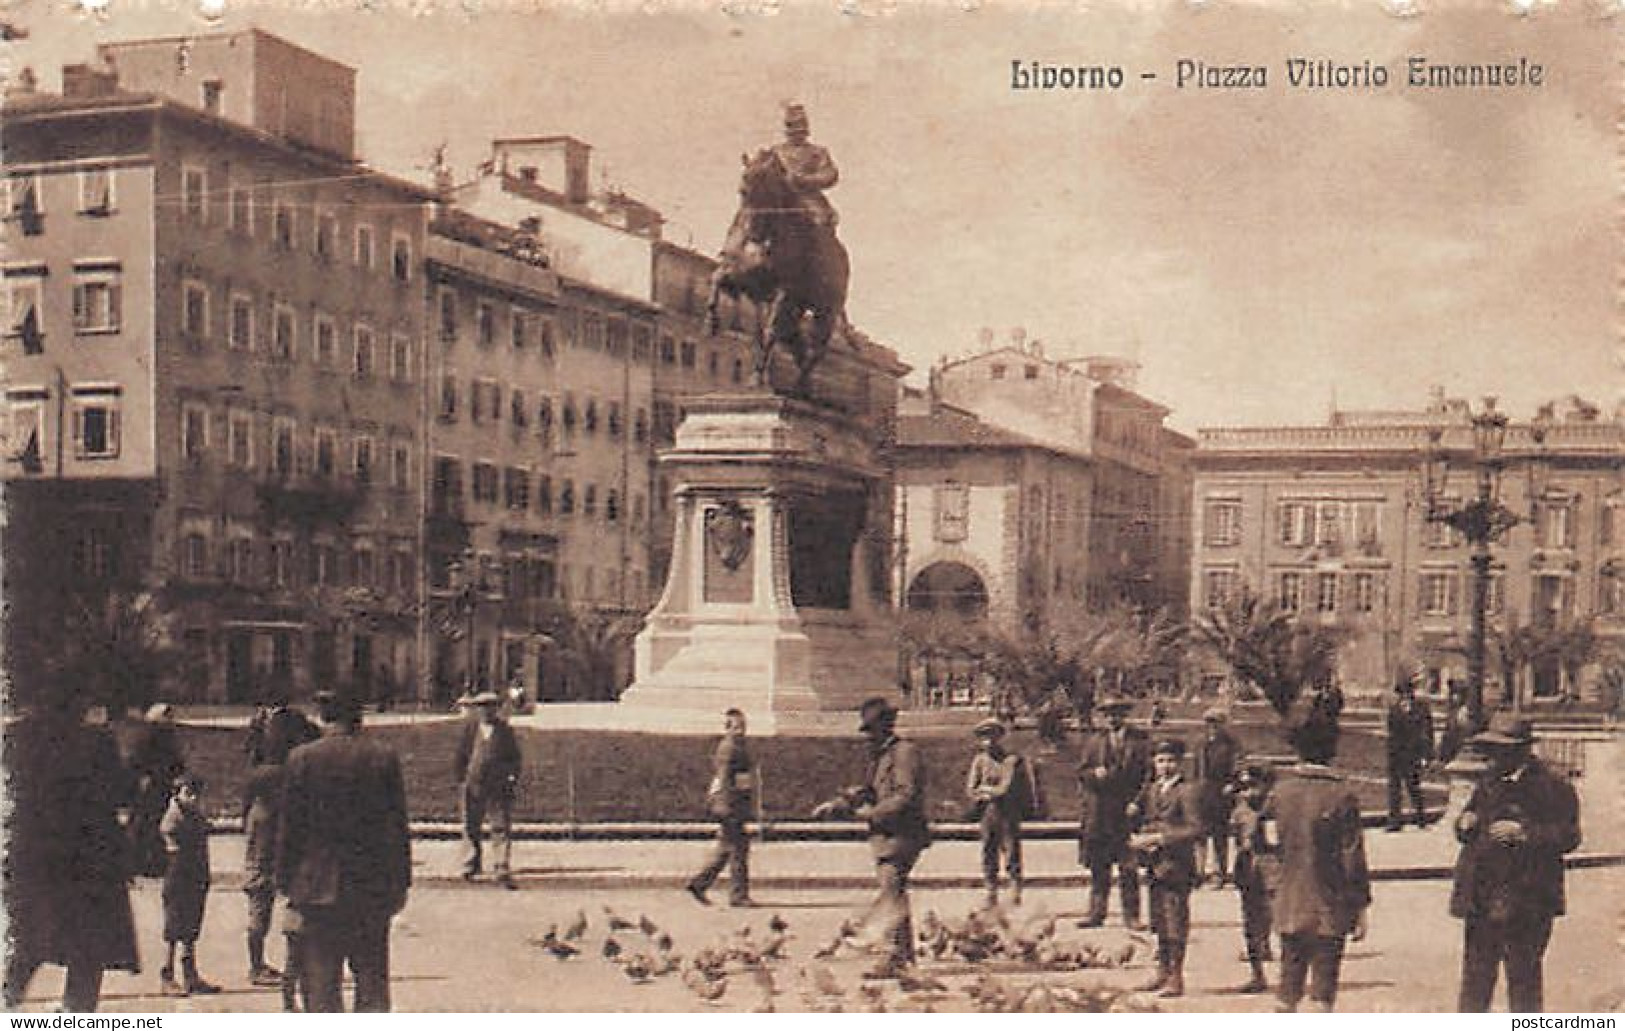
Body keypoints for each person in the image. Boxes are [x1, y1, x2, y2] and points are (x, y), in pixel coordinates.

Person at [3, 687, 141, 1012]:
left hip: (35, 855)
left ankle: (8, 1001)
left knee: (30, 939)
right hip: (92, 861)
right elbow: (122, 791)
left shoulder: (19, 736)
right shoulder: (97, 742)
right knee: (89, 947)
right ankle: (77, 1013)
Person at [276, 689, 411, 1012]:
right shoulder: (383, 757)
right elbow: (396, 829)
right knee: (372, 981)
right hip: (370, 886)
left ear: (323, 716)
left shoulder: (302, 758)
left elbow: (290, 830)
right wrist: (401, 883)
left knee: (321, 984)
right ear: (360, 717)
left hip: (316, 887)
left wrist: (285, 880)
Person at [1449, 713, 1581, 1013]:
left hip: (1528, 899)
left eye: (1502, 749)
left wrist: (1525, 834)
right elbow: (1468, 821)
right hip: (1481, 898)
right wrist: (1464, 822)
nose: (1494, 756)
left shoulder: (1552, 785)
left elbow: (1570, 835)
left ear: (1521, 750)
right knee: (1475, 981)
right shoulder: (1489, 781)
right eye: (1492, 749)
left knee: (1524, 982)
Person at [1269, 708, 1372, 1013]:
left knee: (1287, 987)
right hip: (1329, 904)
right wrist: (1360, 906)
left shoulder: (1280, 792)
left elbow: (1268, 842)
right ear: (1332, 750)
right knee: (1322, 991)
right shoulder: (1341, 796)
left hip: (1289, 901)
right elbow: (1352, 857)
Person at [852, 696, 930, 979]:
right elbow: (870, 790)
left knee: (891, 892)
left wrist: (872, 814)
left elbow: (905, 795)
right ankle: (902, 956)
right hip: (888, 834)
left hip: (902, 833)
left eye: (872, 728)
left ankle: (897, 957)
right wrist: (842, 803)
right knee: (893, 892)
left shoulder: (904, 752)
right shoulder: (881, 755)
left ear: (886, 726)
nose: (868, 735)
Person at [1128, 739, 1205, 998]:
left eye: (1171, 760)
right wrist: (1141, 838)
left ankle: (1176, 976)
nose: (1165, 766)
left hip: (1177, 866)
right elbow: (1147, 820)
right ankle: (1161, 971)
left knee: (1175, 921)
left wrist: (1160, 839)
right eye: (1161, 760)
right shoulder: (1150, 790)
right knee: (1158, 920)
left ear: (1180, 762)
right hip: (1154, 864)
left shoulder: (1187, 791)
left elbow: (1195, 829)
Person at [1076, 696, 1149, 929]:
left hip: (1126, 811)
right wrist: (1093, 775)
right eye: (1107, 714)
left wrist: (1138, 803)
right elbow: (1081, 773)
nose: (1112, 718)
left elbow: (1149, 777)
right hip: (1099, 813)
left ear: (1124, 715)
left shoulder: (1139, 742)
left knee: (1128, 866)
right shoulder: (1094, 742)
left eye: (1116, 713)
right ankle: (1096, 913)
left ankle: (1132, 916)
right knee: (1099, 866)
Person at [686, 708, 756, 907]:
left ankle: (699, 884)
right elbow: (724, 778)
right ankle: (738, 895)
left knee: (727, 849)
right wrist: (726, 805)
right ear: (727, 729)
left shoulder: (737, 746)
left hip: (735, 804)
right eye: (736, 727)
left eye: (743, 727)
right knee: (739, 850)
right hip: (730, 805)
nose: (741, 731)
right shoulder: (729, 748)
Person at [158, 773, 220, 997]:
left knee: (191, 929)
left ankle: (190, 976)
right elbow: (173, 842)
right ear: (178, 793)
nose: (193, 798)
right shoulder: (173, 817)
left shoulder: (193, 814)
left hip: (195, 877)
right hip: (178, 878)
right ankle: (167, 975)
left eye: (196, 794)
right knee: (174, 929)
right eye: (188, 793)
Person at [453, 690, 522, 888]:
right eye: (482, 707)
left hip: (498, 786)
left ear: (497, 709)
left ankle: (501, 865)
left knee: (500, 826)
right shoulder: (470, 730)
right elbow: (461, 756)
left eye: (490, 707)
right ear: (477, 710)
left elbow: (514, 758)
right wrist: (462, 780)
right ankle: (470, 864)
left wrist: (511, 778)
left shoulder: (505, 731)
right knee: (470, 825)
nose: (486, 711)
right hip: (473, 783)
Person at [965, 718, 1031, 907]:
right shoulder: (979, 760)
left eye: (992, 736)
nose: (989, 742)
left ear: (999, 737)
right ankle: (990, 891)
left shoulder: (1010, 760)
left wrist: (985, 790)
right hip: (987, 813)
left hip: (1007, 813)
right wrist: (983, 792)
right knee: (988, 852)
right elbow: (970, 789)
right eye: (984, 738)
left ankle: (1014, 891)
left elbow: (1005, 788)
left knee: (1011, 852)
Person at [1230, 762, 1279, 994]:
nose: (1248, 792)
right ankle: (1257, 973)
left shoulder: (1274, 809)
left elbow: (1276, 843)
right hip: (1248, 871)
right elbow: (1237, 839)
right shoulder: (1240, 810)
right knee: (1250, 922)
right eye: (1243, 787)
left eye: (1253, 786)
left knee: (1278, 919)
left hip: (1272, 870)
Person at [127, 702, 187, 877]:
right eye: (167, 716)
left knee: (152, 825)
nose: (170, 719)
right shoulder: (150, 736)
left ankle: (152, 862)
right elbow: (137, 762)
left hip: (161, 785)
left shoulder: (163, 736)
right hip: (153, 786)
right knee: (147, 825)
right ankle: (144, 863)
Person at [772, 102, 840, 228]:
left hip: (808, 199)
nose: (795, 133)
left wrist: (804, 179)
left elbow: (829, 175)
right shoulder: (776, 152)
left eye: (799, 129)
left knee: (820, 222)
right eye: (792, 128)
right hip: (778, 201)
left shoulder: (817, 152)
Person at [1194, 707, 1242, 884]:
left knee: (1219, 835)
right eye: (1209, 723)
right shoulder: (1201, 743)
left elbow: (1238, 767)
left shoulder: (1231, 744)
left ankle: (1219, 872)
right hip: (1202, 792)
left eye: (1216, 723)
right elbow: (1195, 769)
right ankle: (1198, 872)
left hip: (1221, 793)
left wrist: (1232, 785)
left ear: (1223, 725)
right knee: (1199, 834)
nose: (1212, 727)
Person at [1386, 675, 1435, 830]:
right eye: (1401, 694)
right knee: (1394, 788)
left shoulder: (1420, 709)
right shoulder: (1394, 709)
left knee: (1413, 786)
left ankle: (1420, 818)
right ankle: (1395, 821)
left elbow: (1427, 732)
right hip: (1395, 753)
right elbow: (1391, 731)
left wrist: (1426, 755)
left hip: (1412, 753)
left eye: (1407, 693)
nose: (1404, 696)